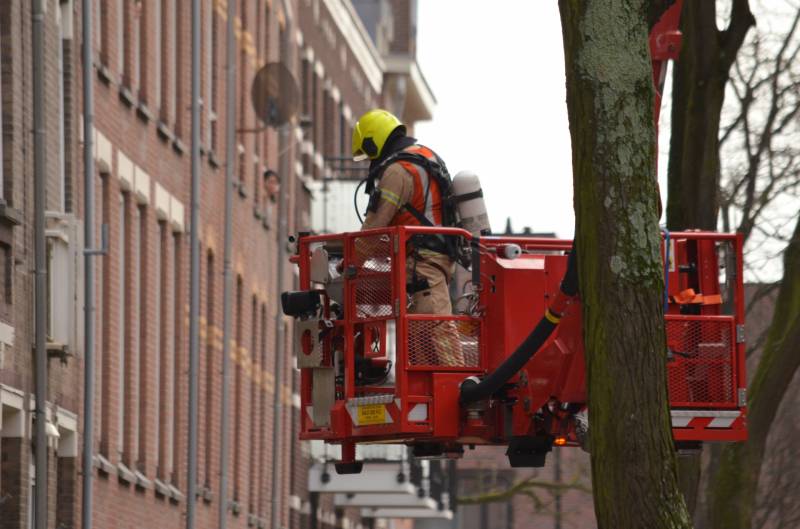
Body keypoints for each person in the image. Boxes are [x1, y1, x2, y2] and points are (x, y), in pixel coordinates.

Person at [351, 109, 463, 366]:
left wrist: (349, 263)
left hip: (422, 272)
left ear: (374, 141)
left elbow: (374, 229)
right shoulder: (424, 157)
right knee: (424, 355)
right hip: (433, 266)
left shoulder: (397, 171)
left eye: (370, 154)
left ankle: (461, 396)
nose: (371, 162)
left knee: (441, 353)